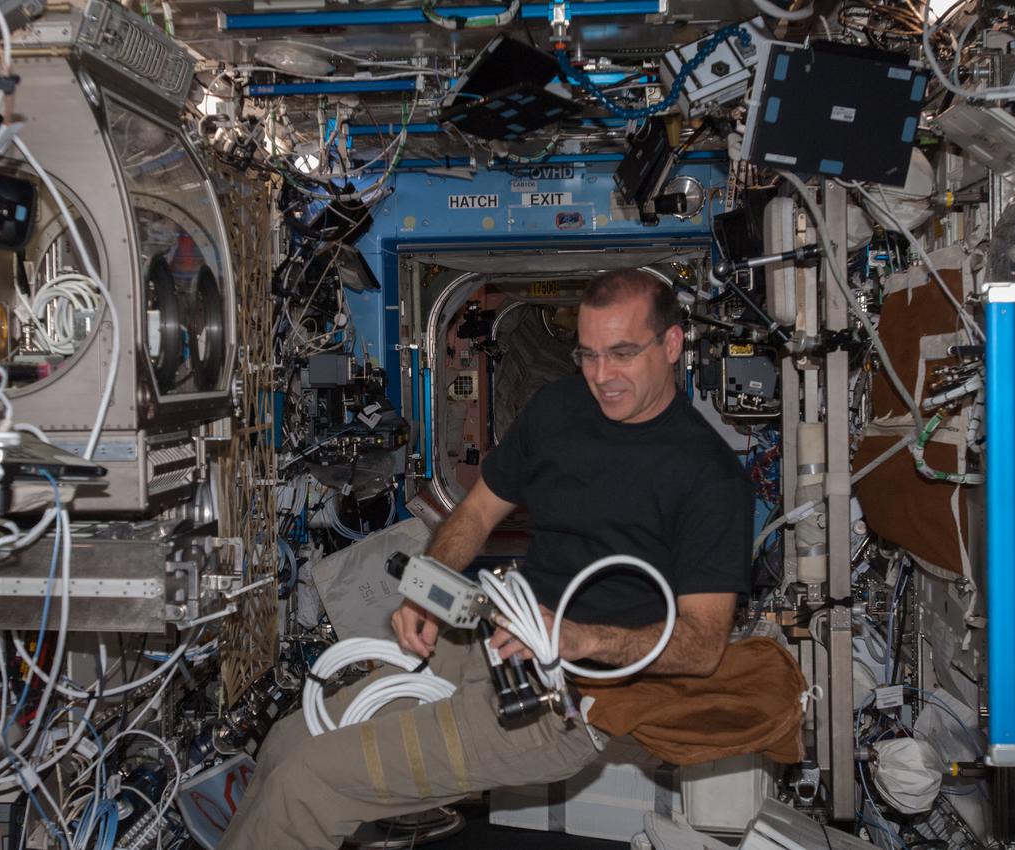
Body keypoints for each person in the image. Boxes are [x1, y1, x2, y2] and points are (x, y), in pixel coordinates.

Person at [220, 269, 753, 850]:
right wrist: (423, 590)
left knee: (308, 783)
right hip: (487, 636)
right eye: (589, 354)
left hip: (566, 701)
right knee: (285, 744)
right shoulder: (558, 409)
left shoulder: (709, 476)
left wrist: (577, 639)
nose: (602, 376)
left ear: (672, 344)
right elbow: (473, 515)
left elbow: (702, 646)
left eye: (622, 354)